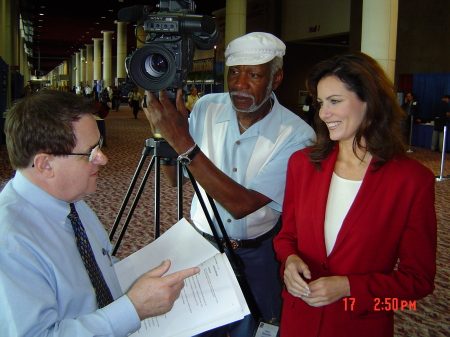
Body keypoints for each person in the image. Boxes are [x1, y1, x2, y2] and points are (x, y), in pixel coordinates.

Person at [143, 32, 315, 337]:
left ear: (276, 79)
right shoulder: (208, 107)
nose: (239, 84)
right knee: (194, 327)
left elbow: (242, 205)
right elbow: (174, 179)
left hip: (257, 254)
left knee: (252, 328)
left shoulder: (296, 134)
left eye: (253, 75)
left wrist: (182, 141)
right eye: (234, 73)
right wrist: (164, 137)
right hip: (200, 247)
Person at [0, 90, 199, 337]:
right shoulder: (10, 243)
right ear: (45, 165)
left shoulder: (70, 202)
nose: (103, 159)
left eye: (99, 146)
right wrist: (134, 308)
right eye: (90, 152)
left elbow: (97, 266)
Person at [273, 51, 437, 337]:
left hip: (358, 326)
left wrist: (349, 288)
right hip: (298, 321)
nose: (323, 113)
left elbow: (417, 284)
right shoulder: (302, 164)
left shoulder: (411, 181)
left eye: (335, 101)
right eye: (321, 103)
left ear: (369, 102)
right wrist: (289, 261)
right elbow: (287, 236)